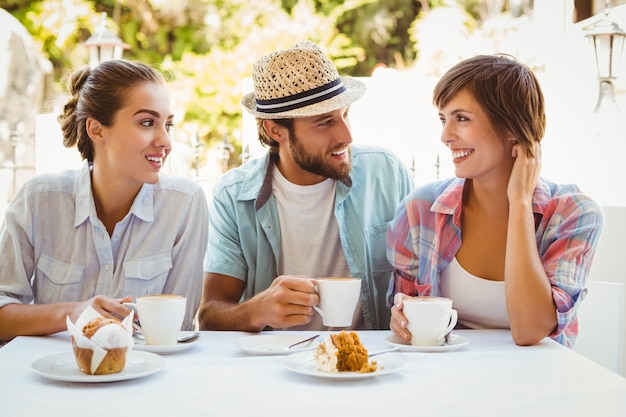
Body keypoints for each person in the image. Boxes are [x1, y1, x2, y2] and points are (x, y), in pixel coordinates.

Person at [387, 54, 603, 347]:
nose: (445, 136)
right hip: (443, 380)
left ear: (512, 128)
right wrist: (400, 317)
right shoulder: (420, 209)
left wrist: (521, 203)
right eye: (443, 119)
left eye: (461, 118)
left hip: (541, 385)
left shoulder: (573, 214)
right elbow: (405, 325)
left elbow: (531, 329)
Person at [198, 41, 413, 332]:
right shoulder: (233, 197)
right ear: (276, 130)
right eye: (325, 122)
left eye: (345, 115)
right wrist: (256, 311)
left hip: (372, 361)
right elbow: (210, 313)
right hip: (278, 365)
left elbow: (425, 282)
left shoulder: (387, 172)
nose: (346, 135)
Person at [0, 59, 208, 342]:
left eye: (167, 125)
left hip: (145, 376)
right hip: (52, 375)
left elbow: (179, 328)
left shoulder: (184, 204)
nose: (165, 141)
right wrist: (73, 313)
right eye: (147, 122)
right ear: (97, 130)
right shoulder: (39, 200)